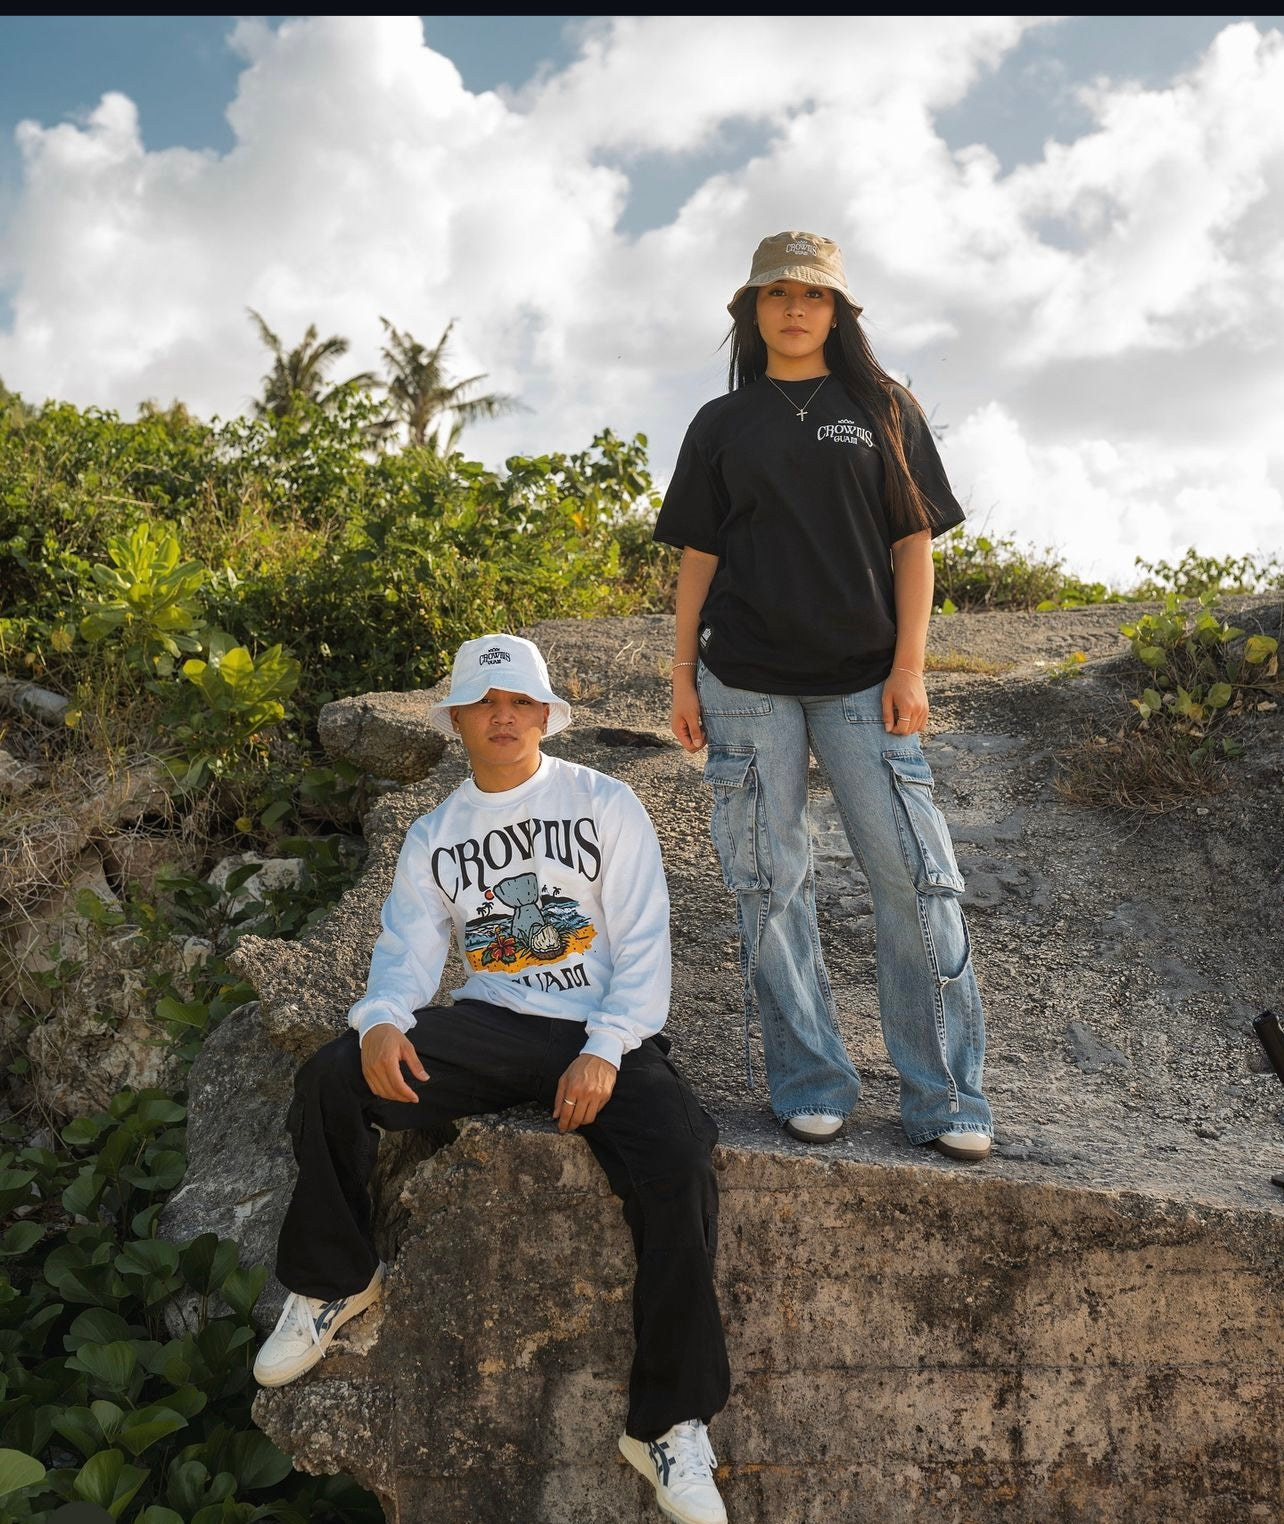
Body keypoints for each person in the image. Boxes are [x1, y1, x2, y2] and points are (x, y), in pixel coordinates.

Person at [253, 634, 731, 1524]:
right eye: (486, 703)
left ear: (546, 714)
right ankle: (335, 1280)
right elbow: (405, 955)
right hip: (491, 1024)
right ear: (459, 720)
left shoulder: (605, 802)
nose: (504, 717)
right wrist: (382, 1023)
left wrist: (608, 1046)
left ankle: (667, 1424)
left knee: (680, 1164)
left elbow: (643, 941)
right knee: (331, 1078)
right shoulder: (436, 834)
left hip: (600, 1032)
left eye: (520, 702)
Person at [654, 230, 993, 1161]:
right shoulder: (721, 425)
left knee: (918, 882)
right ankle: (810, 1081)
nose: (795, 308)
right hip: (746, 683)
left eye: (814, 294)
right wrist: (682, 673)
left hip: (863, 680)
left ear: (839, 311)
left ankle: (946, 1096)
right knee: (769, 885)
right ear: (751, 311)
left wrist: (910, 666)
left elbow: (913, 544)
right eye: (776, 294)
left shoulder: (882, 407)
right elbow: (699, 554)